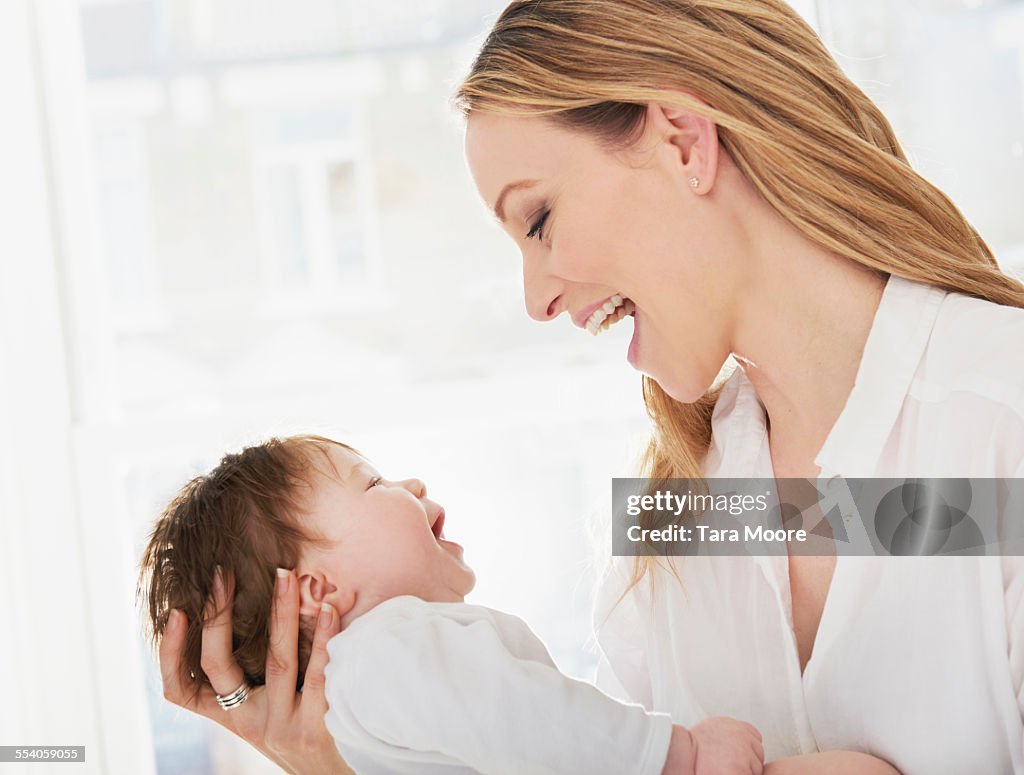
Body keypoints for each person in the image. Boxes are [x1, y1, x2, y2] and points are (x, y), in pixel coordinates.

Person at [158, 0, 1024, 773]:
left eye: (539, 219)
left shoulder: (1000, 419)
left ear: (684, 141)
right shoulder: (668, 525)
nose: (536, 299)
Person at [140, 434, 772, 774]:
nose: (412, 484)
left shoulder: (363, 697)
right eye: (374, 482)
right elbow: (531, 716)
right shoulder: (384, 653)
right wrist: (676, 757)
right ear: (316, 591)